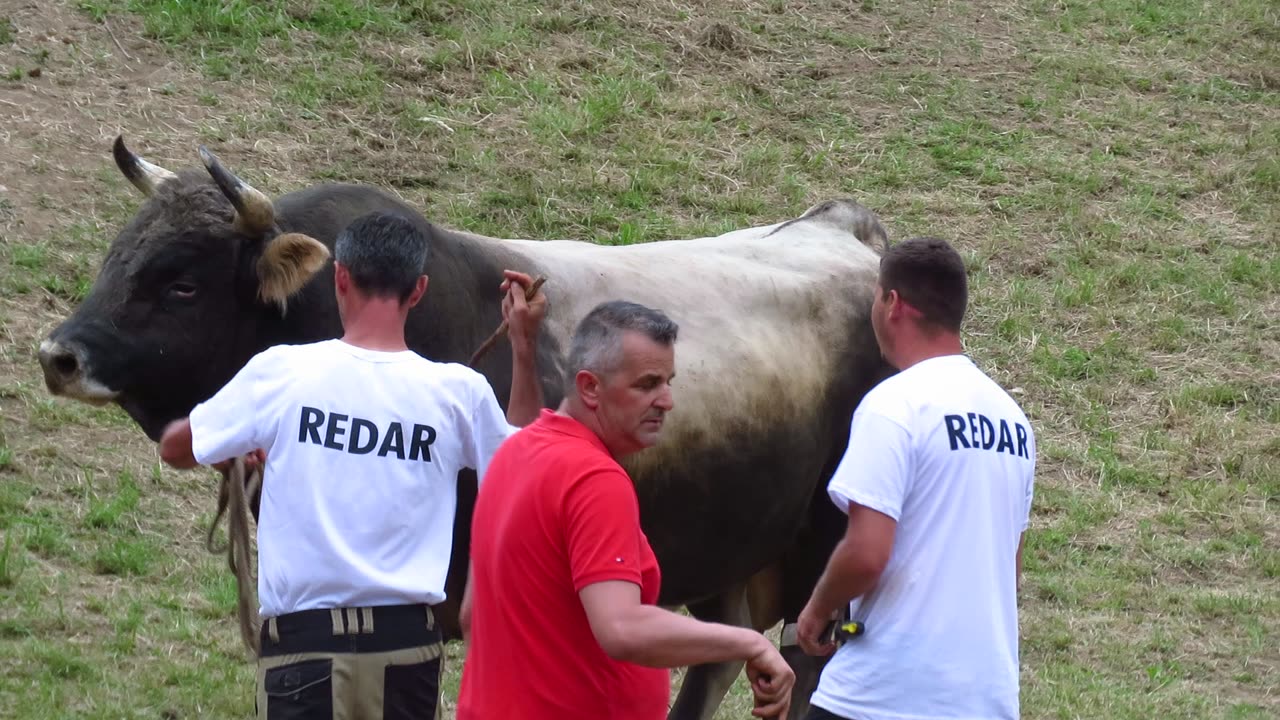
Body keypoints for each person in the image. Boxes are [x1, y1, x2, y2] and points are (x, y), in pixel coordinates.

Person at [157, 211, 547, 720]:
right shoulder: (458, 392)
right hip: (408, 648)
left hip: (304, 645)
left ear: (340, 277)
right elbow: (525, 464)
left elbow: (176, 448)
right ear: (418, 290)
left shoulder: (281, 373)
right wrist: (523, 345)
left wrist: (237, 444)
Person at [456, 300, 795, 720]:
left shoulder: (513, 455)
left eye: (668, 381)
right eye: (647, 384)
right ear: (590, 387)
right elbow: (621, 629)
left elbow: (472, 615)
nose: (667, 401)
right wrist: (751, 642)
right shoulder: (594, 480)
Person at [795, 237, 1036, 720]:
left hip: (881, 695)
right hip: (984, 699)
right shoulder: (1014, 421)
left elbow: (867, 553)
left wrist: (817, 611)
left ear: (892, 303)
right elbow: (1009, 566)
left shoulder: (895, 405)